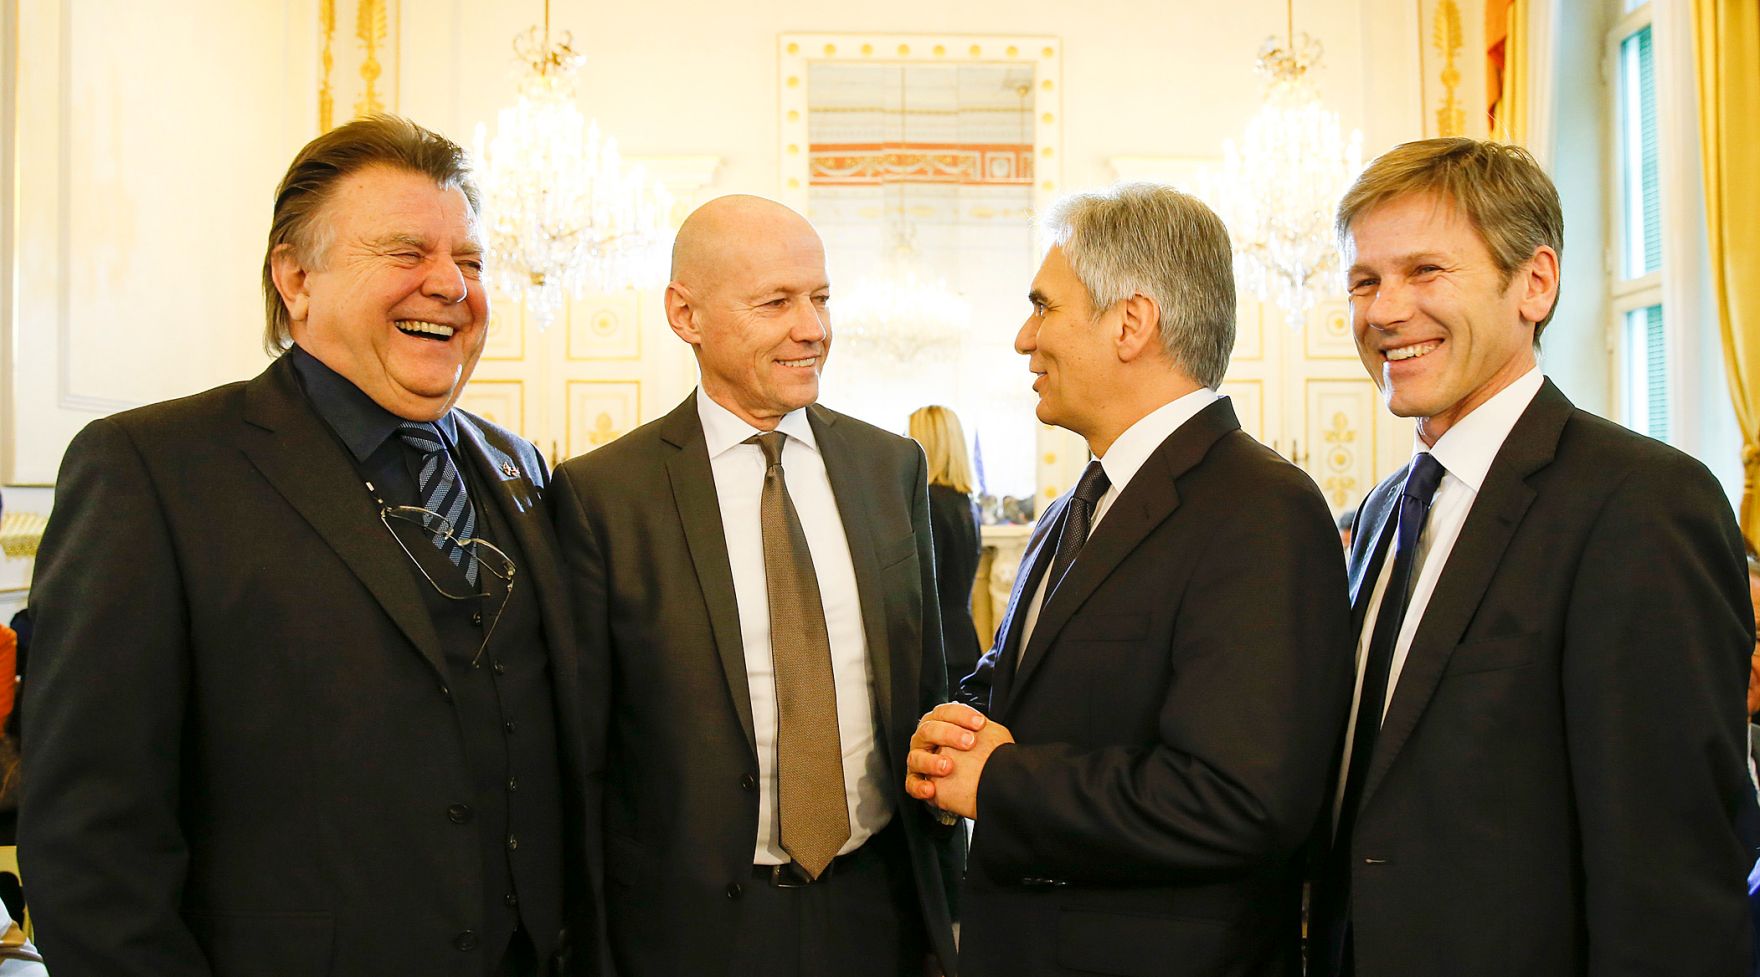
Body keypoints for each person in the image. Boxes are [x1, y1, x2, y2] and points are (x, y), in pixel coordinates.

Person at [21, 115, 599, 977]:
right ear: (295, 278)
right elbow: (90, 838)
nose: (449, 284)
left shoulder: (522, 468)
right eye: (407, 252)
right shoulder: (152, 470)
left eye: (470, 261)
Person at [1308, 137, 1753, 977]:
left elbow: (1673, 874)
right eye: (1365, 280)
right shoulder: (1375, 515)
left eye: (1426, 271)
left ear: (1535, 284)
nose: (1384, 312)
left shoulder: (1643, 504)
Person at [906, 183, 1354, 976]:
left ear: (1131, 322)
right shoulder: (1071, 507)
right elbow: (1026, 686)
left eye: (1043, 306)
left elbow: (1239, 801)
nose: (1022, 337)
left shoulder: (1261, 508)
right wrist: (955, 727)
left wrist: (1003, 779)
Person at [550, 194, 957, 977]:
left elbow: (924, 682)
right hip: (691, 931)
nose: (812, 328)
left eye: (821, 298)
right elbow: (585, 752)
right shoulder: (605, 495)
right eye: (776, 302)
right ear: (685, 314)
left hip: (877, 906)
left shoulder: (890, 467)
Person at [908, 405, 984, 690]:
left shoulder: (927, 503)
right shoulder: (967, 503)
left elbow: (924, 584)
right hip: (963, 637)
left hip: (937, 644)